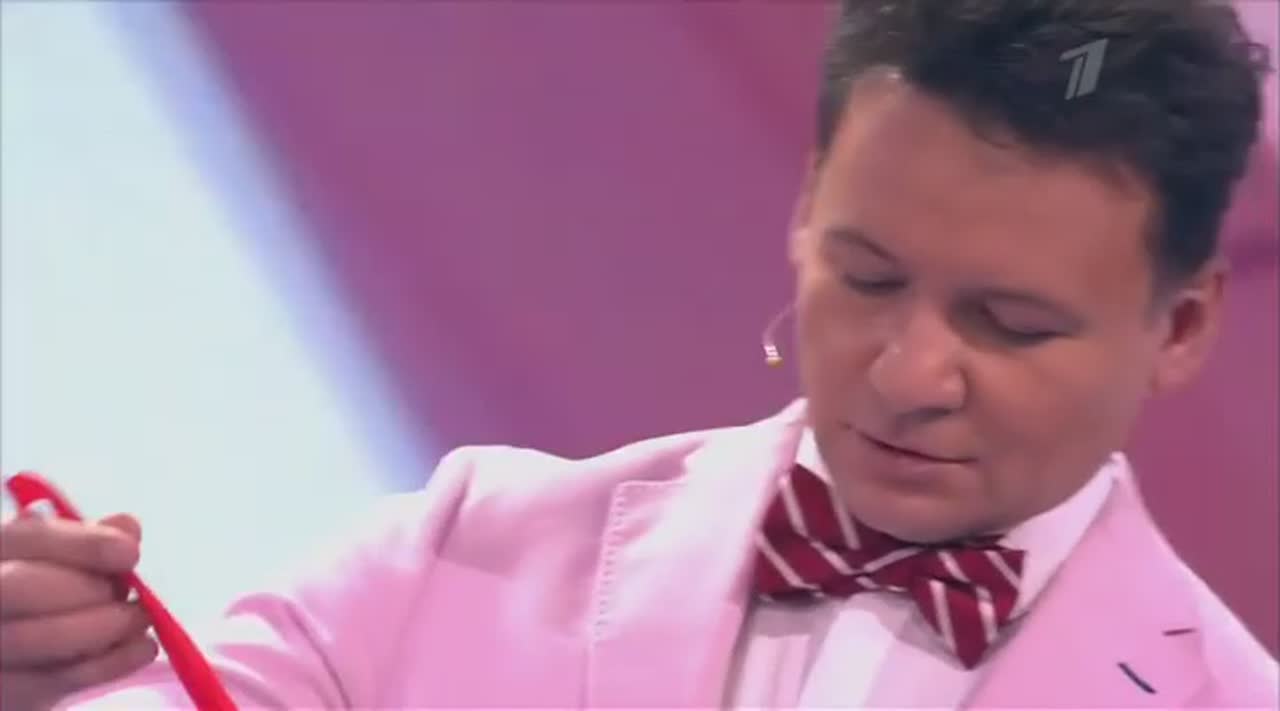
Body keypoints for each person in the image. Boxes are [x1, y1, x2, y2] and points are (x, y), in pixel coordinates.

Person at [3, 0, 1277, 708]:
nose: (905, 376)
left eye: (1009, 325)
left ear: (1179, 326)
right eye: (865, 277)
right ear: (804, 211)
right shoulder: (465, 549)